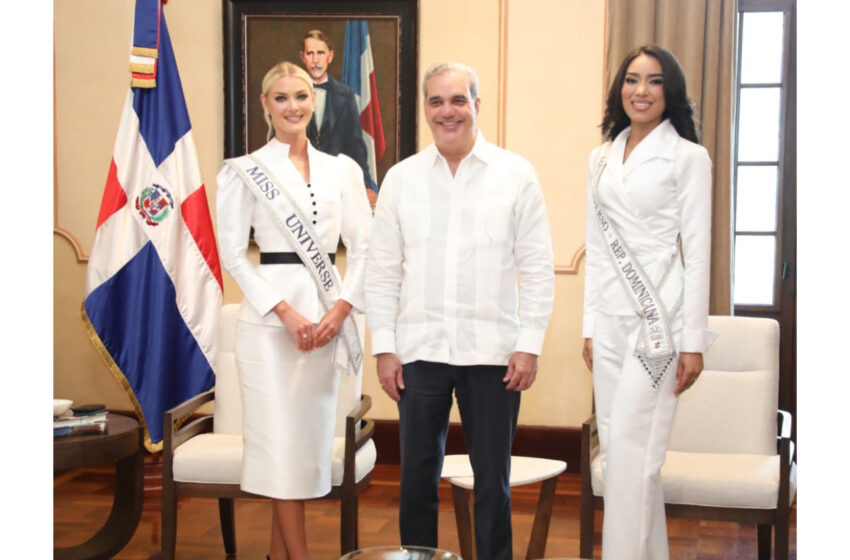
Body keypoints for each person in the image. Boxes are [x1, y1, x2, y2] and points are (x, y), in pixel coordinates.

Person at [366, 61, 555, 560]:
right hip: (419, 352)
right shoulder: (401, 179)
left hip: (494, 355)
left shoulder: (515, 175)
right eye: (436, 101)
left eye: (457, 100)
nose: (447, 111)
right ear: (426, 109)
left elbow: (538, 269)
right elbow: (381, 271)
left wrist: (529, 346)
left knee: (492, 483)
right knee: (416, 480)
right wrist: (384, 348)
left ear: (476, 104)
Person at [216, 61, 372, 560]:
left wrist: (340, 310)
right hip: (269, 327)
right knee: (278, 446)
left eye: (301, 96)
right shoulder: (243, 171)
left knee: (302, 450)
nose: (293, 107)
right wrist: (283, 311)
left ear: (314, 100)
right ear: (265, 104)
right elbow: (233, 255)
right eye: (281, 98)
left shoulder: (342, 170)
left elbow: (364, 248)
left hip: (327, 321)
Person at [581, 45, 716, 560]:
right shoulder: (600, 157)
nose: (641, 91)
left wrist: (694, 342)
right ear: (620, 88)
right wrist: (589, 327)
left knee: (635, 458)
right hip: (609, 323)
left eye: (655, 81)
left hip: (659, 323)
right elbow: (596, 248)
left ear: (669, 91)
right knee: (619, 454)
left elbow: (697, 253)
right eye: (632, 79)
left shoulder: (688, 157)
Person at [300, 29, 378, 206]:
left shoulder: (346, 94)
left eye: (321, 53)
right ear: (303, 57)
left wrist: (366, 184)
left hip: (337, 185)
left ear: (330, 56)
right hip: (300, 184)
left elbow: (356, 144)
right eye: (310, 53)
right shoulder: (292, 93)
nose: (315, 60)